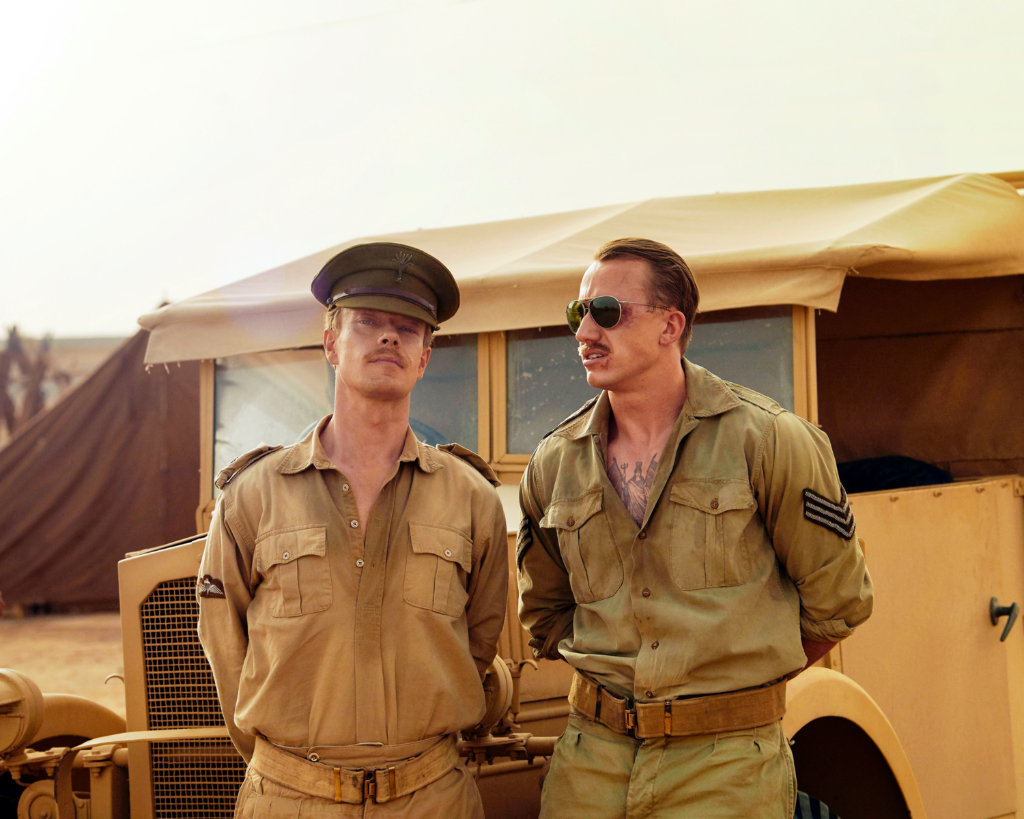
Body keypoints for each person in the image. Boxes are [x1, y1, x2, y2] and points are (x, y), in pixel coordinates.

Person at [517, 238, 873, 818]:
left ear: (670, 325)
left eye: (606, 311)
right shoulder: (554, 462)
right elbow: (547, 613)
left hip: (726, 767)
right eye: (578, 312)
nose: (584, 332)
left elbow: (838, 604)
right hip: (590, 764)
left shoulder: (769, 440)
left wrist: (732, 681)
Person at [198, 242, 508, 818]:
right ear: (331, 344)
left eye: (408, 329)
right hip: (291, 799)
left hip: (431, 798)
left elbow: (479, 640)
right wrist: (289, 770)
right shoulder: (254, 495)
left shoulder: (472, 499)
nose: (389, 337)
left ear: (424, 358)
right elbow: (224, 645)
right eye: (367, 322)